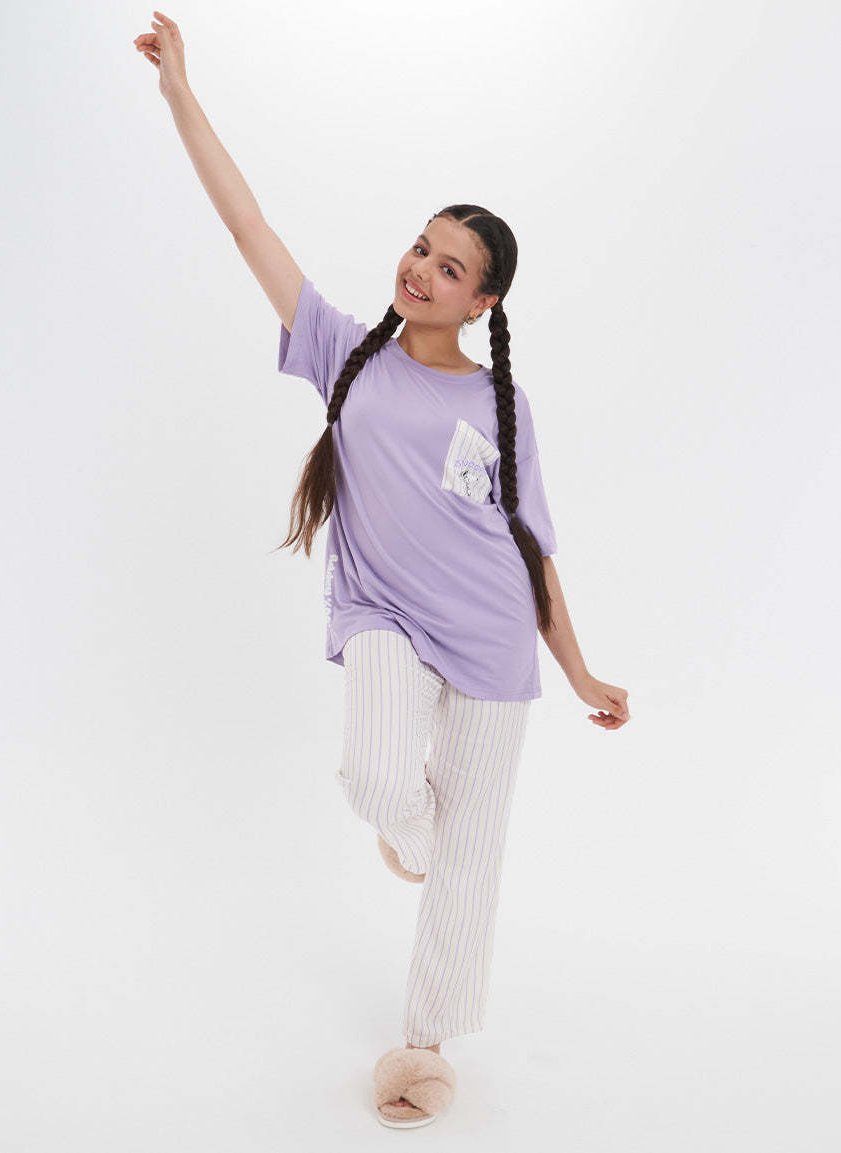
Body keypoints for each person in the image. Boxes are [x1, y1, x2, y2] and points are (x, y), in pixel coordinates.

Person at [134, 11, 631, 1129]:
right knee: (377, 777)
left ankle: (424, 1044)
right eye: (421, 246)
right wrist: (179, 95)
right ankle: (408, 836)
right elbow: (247, 223)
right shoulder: (344, 356)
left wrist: (582, 671)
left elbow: (531, 547)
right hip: (382, 617)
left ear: (482, 301)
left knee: (472, 862)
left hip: (494, 641)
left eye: (450, 268)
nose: (422, 269)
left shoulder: (502, 403)